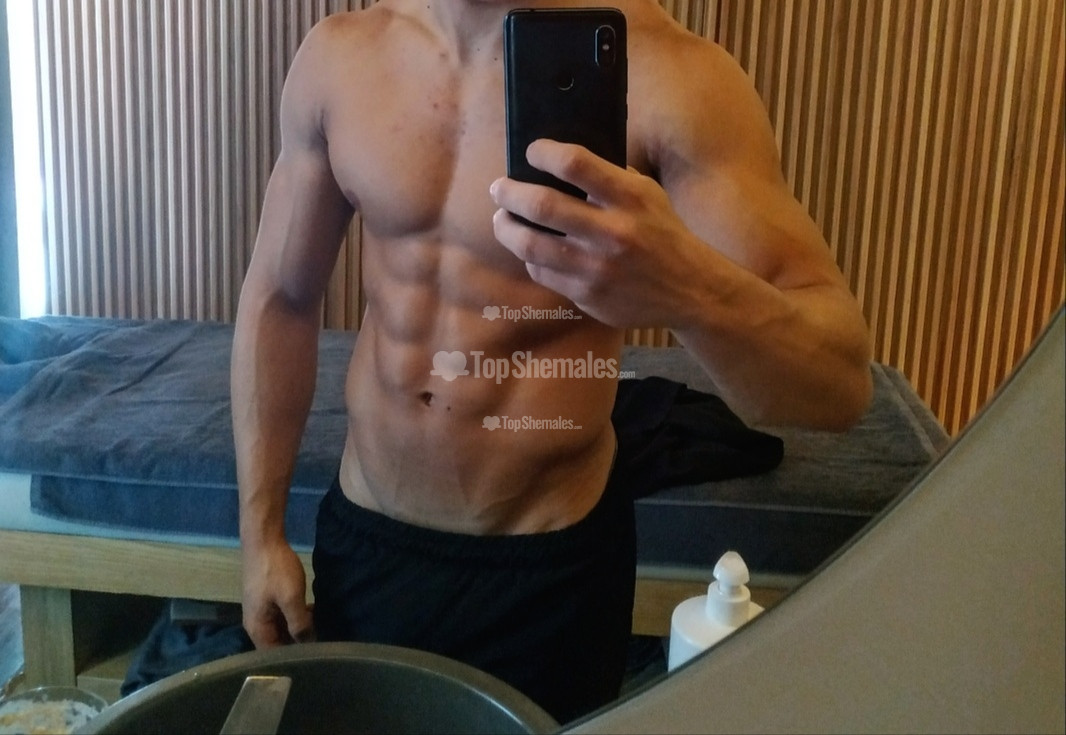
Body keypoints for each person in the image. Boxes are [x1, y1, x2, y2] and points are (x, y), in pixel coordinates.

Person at [231, 0, 872, 721]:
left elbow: (837, 386)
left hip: (550, 572)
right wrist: (260, 533)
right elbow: (281, 298)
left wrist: (687, 291)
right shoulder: (341, 56)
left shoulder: (669, 76)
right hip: (368, 541)